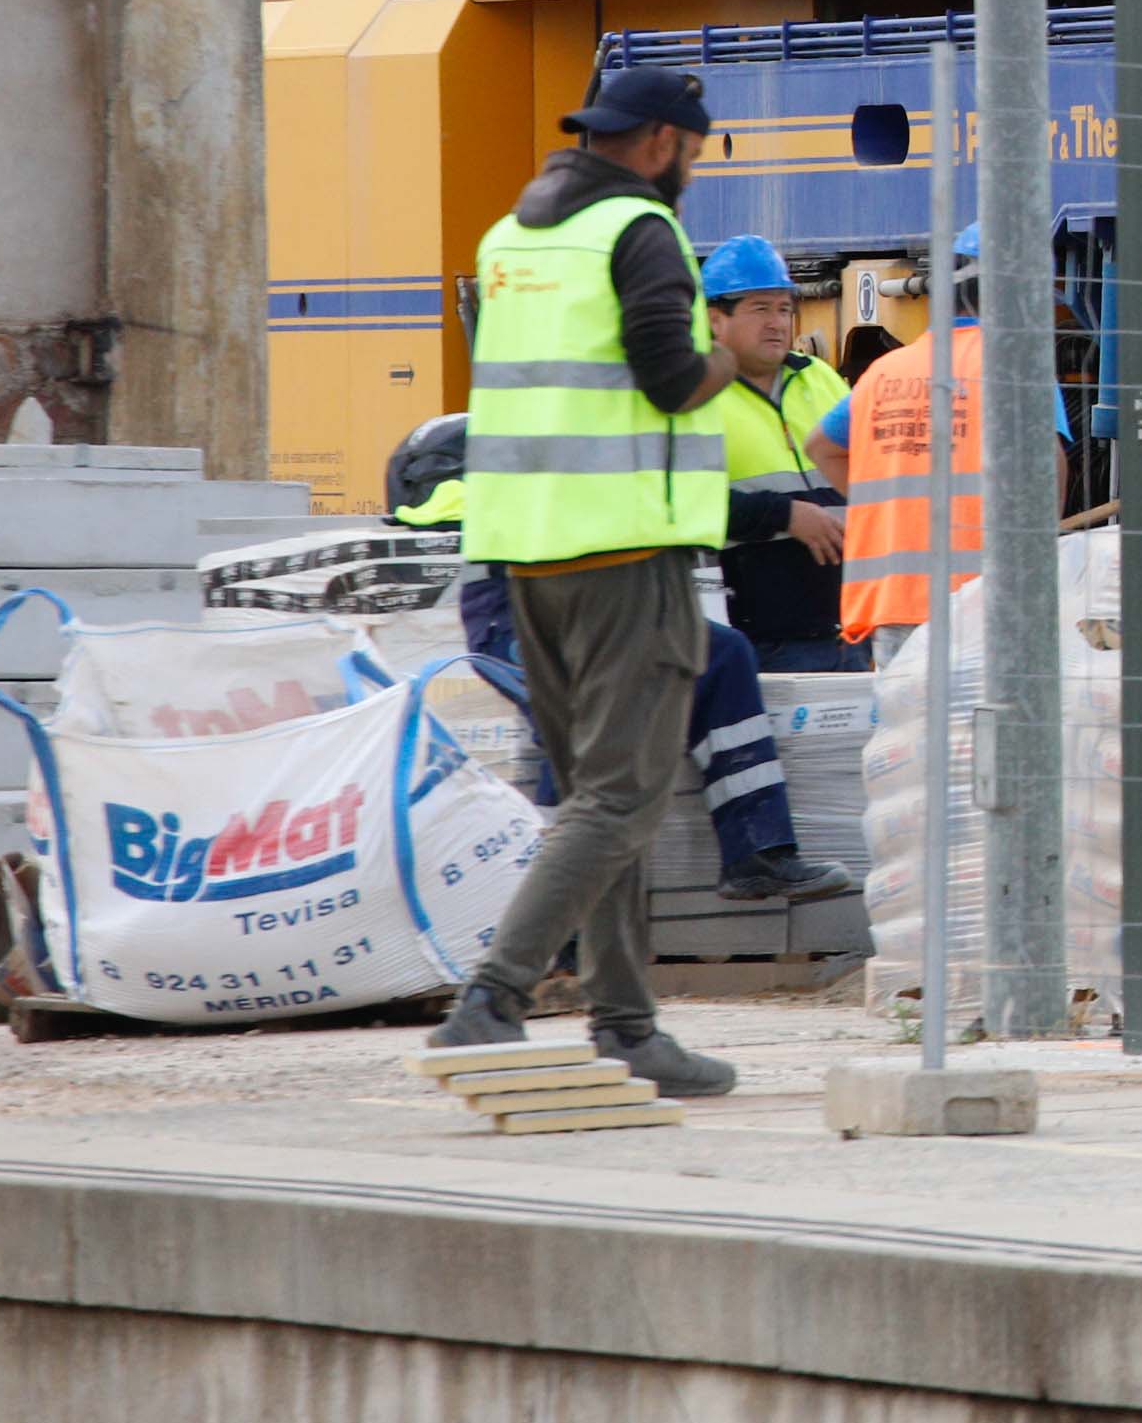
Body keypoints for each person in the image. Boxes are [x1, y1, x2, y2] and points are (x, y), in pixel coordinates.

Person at [420, 61, 742, 1096]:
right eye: (690, 150)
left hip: (528, 555)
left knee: (607, 811)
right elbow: (670, 374)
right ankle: (495, 996)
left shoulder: (512, 236)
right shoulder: (639, 231)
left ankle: (628, 1024)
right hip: (622, 557)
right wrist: (728, 358)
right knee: (615, 801)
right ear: (658, 140)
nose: (689, 168)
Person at [387, 411, 856, 909]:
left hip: (600, 595)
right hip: (523, 600)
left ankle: (756, 851)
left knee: (719, 655)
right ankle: (558, 921)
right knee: (575, 728)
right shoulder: (559, 423)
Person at [821, 222, 1075, 653]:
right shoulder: (1014, 364)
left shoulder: (885, 372)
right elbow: (1045, 465)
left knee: (909, 720)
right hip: (981, 602)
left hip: (895, 604)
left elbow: (823, 448)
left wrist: (878, 515)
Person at [697, 235, 860, 672]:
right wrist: (786, 515)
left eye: (784, 309)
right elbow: (683, 504)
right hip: (758, 639)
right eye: (760, 309)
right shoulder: (695, 396)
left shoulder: (819, 378)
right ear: (715, 320)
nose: (777, 323)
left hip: (849, 628)